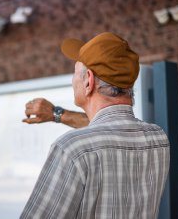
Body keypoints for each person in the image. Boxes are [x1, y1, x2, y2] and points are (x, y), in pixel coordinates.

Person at [20, 32, 170, 219]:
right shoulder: (158, 138)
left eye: (75, 73)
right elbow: (113, 129)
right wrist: (57, 114)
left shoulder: (72, 149)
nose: (72, 81)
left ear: (88, 81)